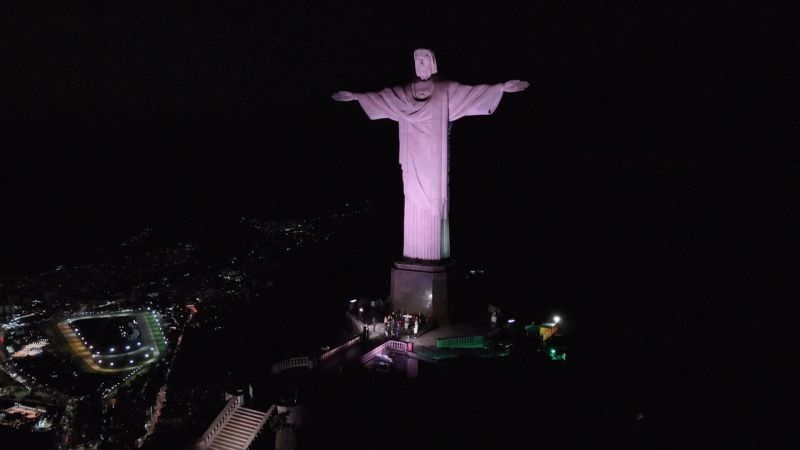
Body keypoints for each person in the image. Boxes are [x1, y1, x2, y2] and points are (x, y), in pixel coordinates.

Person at [333, 49, 528, 261]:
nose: (420, 64)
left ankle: (434, 255)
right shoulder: (405, 93)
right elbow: (382, 98)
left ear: (433, 63)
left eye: (424, 60)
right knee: (413, 199)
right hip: (413, 158)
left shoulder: (445, 90)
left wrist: (500, 88)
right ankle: (414, 255)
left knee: (435, 203)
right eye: (416, 61)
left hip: (434, 161)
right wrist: (356, 97)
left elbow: (473, 95)